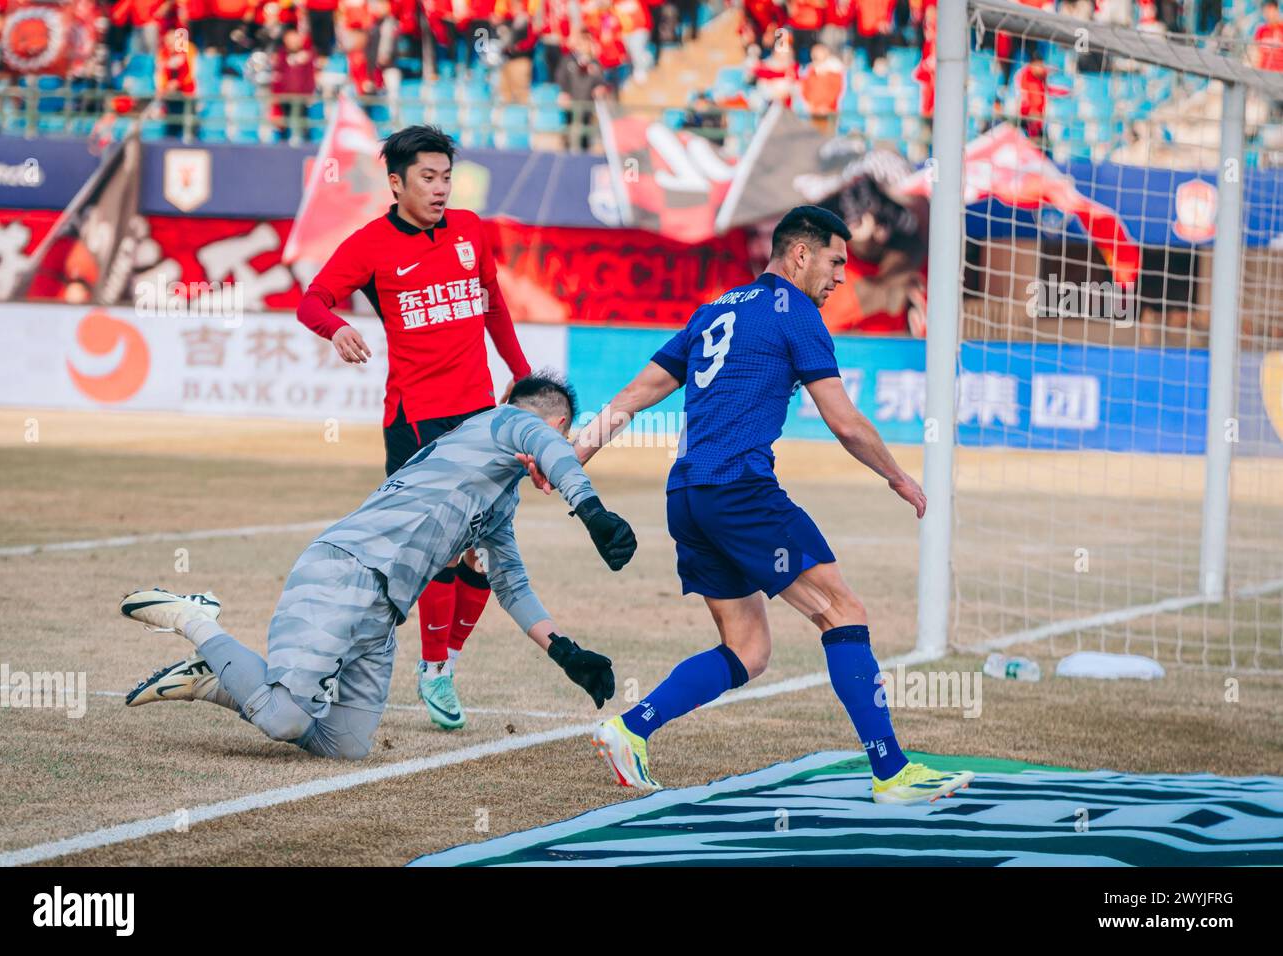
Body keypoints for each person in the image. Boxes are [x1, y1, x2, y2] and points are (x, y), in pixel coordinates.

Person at [537, 206, 974, 804]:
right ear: (800, 254)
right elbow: (843, 422)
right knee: (842, 611)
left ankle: (628, 728)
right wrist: (898, 476)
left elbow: (635, 396)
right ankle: (891, 772)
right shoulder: (796, 314)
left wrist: (571, 457)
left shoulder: (714, 308)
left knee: (749, 649)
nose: (842, 276)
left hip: (688, 496)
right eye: (836, 261)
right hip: (739, 491)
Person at [120, 374, 636, 761]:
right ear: (555, 425)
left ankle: (215, 678)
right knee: (283, 719)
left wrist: (565, 653)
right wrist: (591, 512)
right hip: (343, 573)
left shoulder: (498, 499)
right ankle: (193, 620)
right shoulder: (506, 421)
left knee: (345, 746)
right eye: (564, 437)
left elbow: (511, 584)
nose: (565, 449)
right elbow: (554, 453)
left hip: (382, 613)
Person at [295, 125, 533, 730]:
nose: (440, 189)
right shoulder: (371, 244)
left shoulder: (471, 230)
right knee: (439, 553)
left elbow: (494, 308)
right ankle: (428, 667)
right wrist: (337, 328)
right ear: (396, 183)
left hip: (480, 414)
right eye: (427, 177)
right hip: (417, 420)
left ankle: (444, 664)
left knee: (483, 554)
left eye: (446, 176)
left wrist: (524, 380)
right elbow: (312, 301)